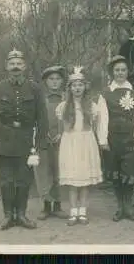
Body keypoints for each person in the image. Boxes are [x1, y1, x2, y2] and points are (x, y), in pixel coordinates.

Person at [0, 48, 49, 230]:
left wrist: (40, 142)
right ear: (6, 67)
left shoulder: (34, 88)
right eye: (12, 64)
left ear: (25, 66)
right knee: (6, 180)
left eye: (19, 63)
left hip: (27, 141)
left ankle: (21, 214)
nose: (16, 67)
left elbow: (42, 117)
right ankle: (8, 216)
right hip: (4, 140)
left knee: (23, 179)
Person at [97, 55, 134, 222]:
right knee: (116, 174)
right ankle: (119, 206)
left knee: (130, 172)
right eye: (117, 70)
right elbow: (103, 118)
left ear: (128, 72)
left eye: (123, 70)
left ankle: (129, 206)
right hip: (112, 139)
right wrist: (102, 140)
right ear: (112, 72)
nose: (120, 73)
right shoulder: (105, 93)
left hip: (130, 138)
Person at [56, 66, 104, 226]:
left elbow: (96, 126)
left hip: (86, 144)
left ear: (85, 87)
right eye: (74, 85)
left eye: (80, 85)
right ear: (69, 88)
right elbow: (61, 126)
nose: (77, 88)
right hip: (70, 144)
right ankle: (73, 211)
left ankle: (83, 211)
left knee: (84, 180)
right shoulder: (63, 107)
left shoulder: (91, 106)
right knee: (73, 180)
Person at [35, 65, 69, 221]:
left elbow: (71, 119)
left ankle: (58, 205)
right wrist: (44, 133)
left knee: (60, 172)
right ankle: (46, 205)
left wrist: (62, 134)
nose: (54, 82)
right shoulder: (40, 98)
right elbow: (35, 118)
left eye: (57, 79)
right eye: (51, 79)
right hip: (44, 139)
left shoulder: (67, 98)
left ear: (62, 81)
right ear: (45, 82)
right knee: (44, 172)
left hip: (63, 140)